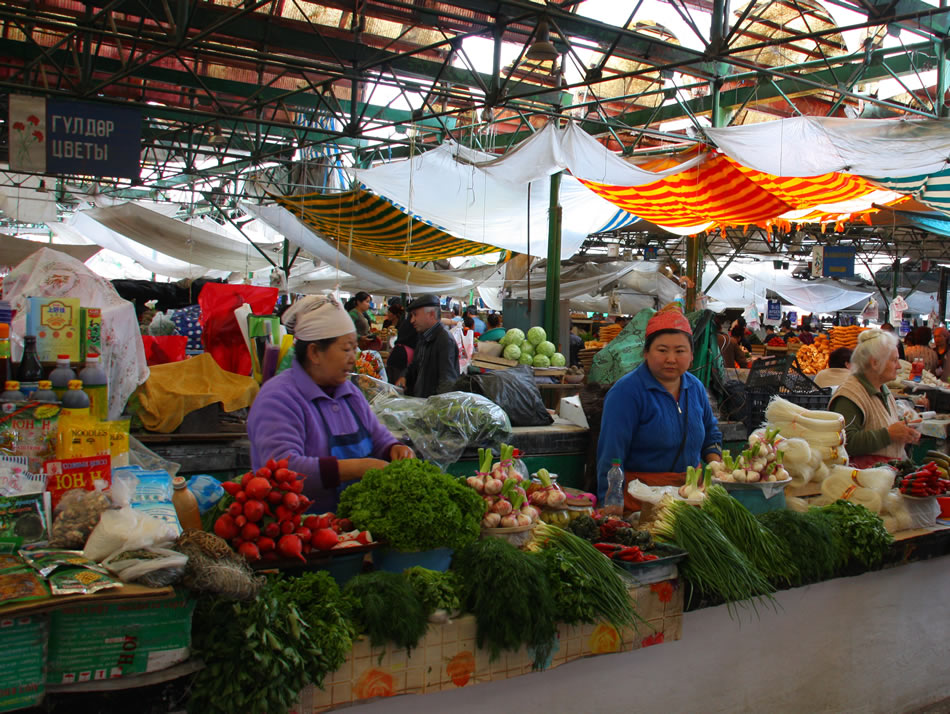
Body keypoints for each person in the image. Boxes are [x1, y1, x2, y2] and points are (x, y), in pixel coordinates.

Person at [247, 295, 414, 513]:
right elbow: (284, 468)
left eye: (355, 349)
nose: (353, 358)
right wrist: (359, 467)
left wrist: (394, 448)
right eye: (346, 349)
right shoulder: (278, 398)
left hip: (352, 529)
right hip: (299, 532)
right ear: (315, 352)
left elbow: (377, 436)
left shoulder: (350, 393)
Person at [596, 308, 723, 511]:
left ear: (691, 355)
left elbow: (711, 433)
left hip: (689, 498)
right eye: (662, 350)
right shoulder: (626, 392)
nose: (671, 359)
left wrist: (716, 466)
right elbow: (611, 454)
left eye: (680, 351)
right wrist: (609, 501)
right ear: (646, 353)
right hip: (640, 500)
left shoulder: (696, 388)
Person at [829, 329, 920, 464]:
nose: (899, 366)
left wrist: (903, 432)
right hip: (861, 479)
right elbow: (844, 442)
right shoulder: (850, 396)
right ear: (875, 363)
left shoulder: (883, 389)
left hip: (884, 475)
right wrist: (888, 434)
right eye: (894, 360)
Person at [399, 294, 460, 398]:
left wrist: (435, 409)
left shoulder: (444, 340)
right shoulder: (424, 336)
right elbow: (415, 364)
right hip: (420, 402)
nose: (412, 320)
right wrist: (404, 376)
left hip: (430, 405)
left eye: (415, 315)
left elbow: (447, 382)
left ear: (431, 314)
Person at [384, 297, 418, 386]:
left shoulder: (407, 320)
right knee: (397, 386)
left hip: (397, 353)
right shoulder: (416, 320)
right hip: (404, 356)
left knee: (391, 385)